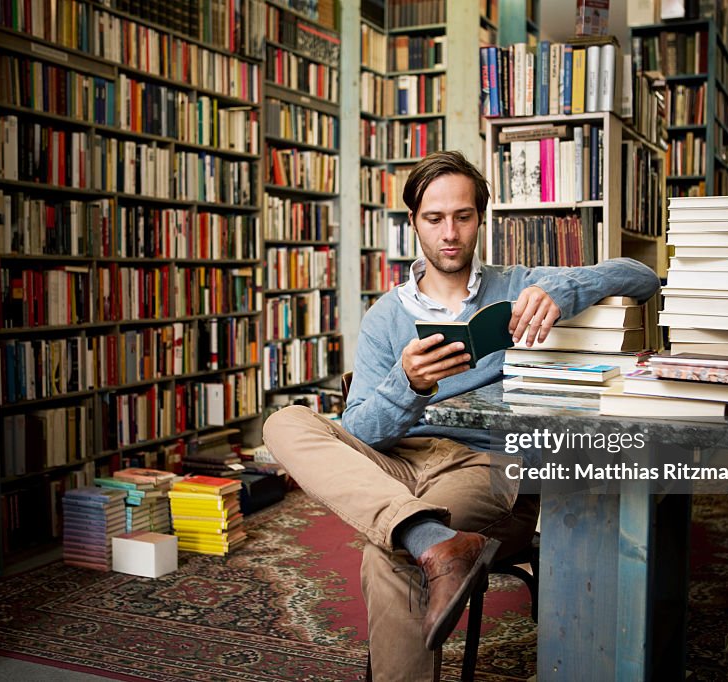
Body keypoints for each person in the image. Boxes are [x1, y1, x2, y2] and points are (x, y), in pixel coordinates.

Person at [262, 151, 660, 681]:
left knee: (389, 555)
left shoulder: (519, 285)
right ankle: (432, 539)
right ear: (414, 223)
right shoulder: (386, 316)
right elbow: (358, 430)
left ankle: (419, 539)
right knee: (284, 422)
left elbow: (643, 276)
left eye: (463, 216)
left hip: (484, 462)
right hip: (398, 462)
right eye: (434, 218)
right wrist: (408, 384)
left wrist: (562, 290)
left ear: (481, 219)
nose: (449, 233)